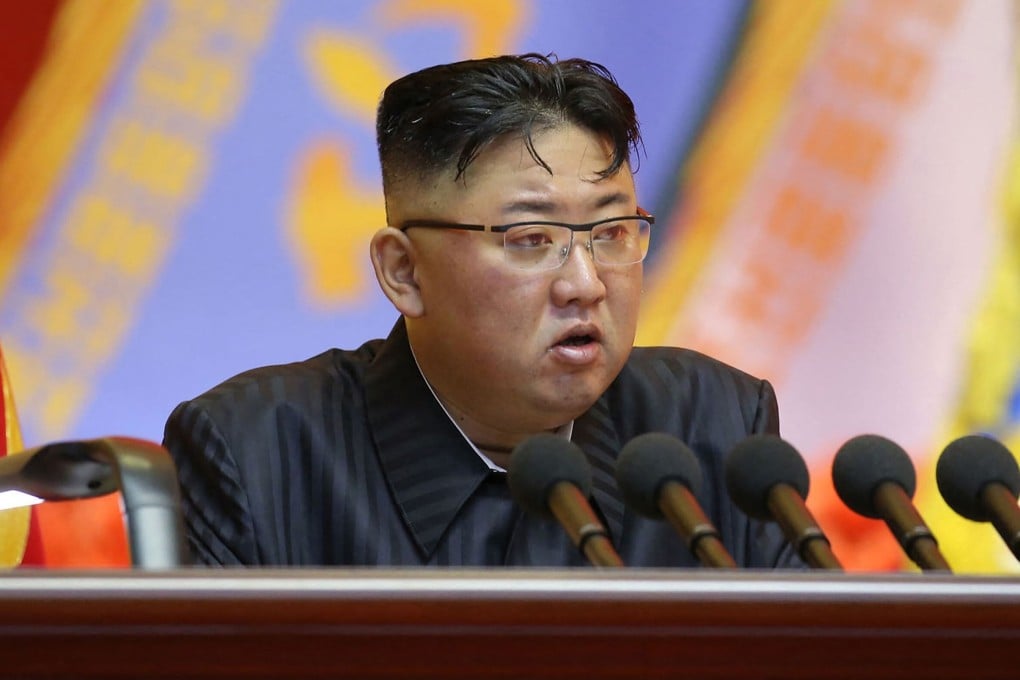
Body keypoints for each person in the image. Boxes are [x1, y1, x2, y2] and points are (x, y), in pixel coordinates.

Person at [163, 53, 801, 568]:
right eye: (531, 240)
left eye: (611, 233)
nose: (585, 284)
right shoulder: (254, 452)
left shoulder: (715, 426)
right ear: (403, 271)